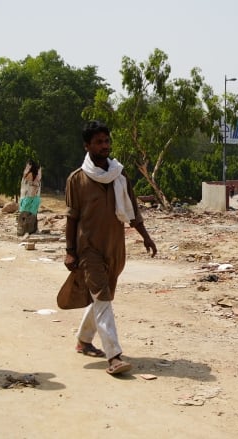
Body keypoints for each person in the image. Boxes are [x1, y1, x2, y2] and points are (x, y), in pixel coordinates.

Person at [64, 120, 157, 375]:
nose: (105, 146)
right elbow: (71, 218)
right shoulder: (77, 179)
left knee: (102, 297)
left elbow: (133, 211)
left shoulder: (120, 174)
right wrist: (69, 250)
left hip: (115, 247)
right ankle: (113, 356)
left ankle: (83, 341)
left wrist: (146, 237)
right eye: (99, 142)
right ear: (87, 146)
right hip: (88, 249)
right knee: (102, 298)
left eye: (107, 141)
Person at [17, 159, 42, 236]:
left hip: (29, 198)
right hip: (29, 198)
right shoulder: (31, 174)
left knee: (26, 216)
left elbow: (33, 185)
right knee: (29, 216)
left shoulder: (30, 174)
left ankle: (26, 231)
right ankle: (30, 230)